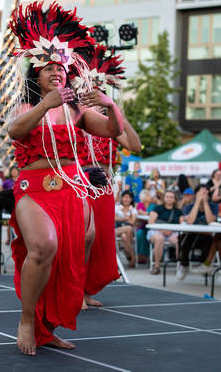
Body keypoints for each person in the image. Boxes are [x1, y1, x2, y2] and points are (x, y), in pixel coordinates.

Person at [7, 1, 123, 356]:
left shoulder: (78, 111)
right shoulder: (27, 106)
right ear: (37, 74)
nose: (56, 72)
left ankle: (48, 328)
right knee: (43, 247)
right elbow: (14, 131)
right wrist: (47, 104)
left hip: (72, 192)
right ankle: (27, 321)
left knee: (65, 262)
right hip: (34, 191)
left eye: (62, 68)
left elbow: (114, 131)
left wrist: (110, 103)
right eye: (49, 68)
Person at [75, 43, 142, 308]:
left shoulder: (109, 121)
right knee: (83, 238)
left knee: (97, 242)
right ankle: (75, 291)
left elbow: (135, 146)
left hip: (103, 189)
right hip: (80, 185)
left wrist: (117, 112)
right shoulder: (78, 117)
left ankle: (85, 290)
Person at [177, 184, 219, 281]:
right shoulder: (188, 207)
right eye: (200, 194)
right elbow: (190, 221)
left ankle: (204, 264)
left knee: (209, 240)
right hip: (191, 235)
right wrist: (197, 202)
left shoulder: (213, 206)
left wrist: (205, 203)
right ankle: (184, 265)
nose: (202, 196)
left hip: (206, 236)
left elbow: (210, 221)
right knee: (182, 238)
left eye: (205, 194)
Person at [148, 190, 184, 275]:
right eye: (167, 197)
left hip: (173, 233)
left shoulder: (178, 211)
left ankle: (180, 267)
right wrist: (163, 231)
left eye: (171, 197)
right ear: (164, 198)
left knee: (180, 240)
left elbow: (182, 225)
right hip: (157, 231)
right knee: (159, 239)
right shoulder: (157, 208)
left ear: (175, 199)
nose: (169, 199)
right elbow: (151, 222)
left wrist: (172, 231)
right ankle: (157, 266)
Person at [115, 191, 137, 268]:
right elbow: (114, 219)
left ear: (131, 199)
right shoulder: (117, 207)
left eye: (127, 197)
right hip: (116, 230)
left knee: (124, 236)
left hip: (126, 233)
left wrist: (120, 219)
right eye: (124, 197)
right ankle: (132, 256)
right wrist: (126, 218)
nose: (125, 199)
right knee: (129, 228)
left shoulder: (133, 209)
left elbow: (133, 221)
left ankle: (126, 252)